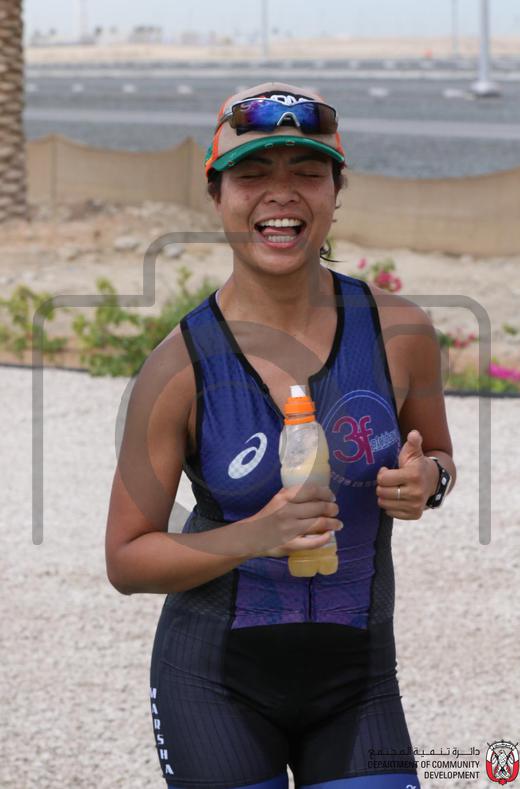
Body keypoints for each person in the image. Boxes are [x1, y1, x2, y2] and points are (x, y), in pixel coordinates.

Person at [105, 82, 456, 789]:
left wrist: (430, 481)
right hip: (212, 684)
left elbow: (440, 457)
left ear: (336, 189)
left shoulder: (402, 332)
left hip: (360, 683)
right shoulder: (178, 368)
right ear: (216, 194)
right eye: (253, 173)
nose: (281, 193)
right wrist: (255, 535)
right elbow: (126, 558)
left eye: (307, 170)